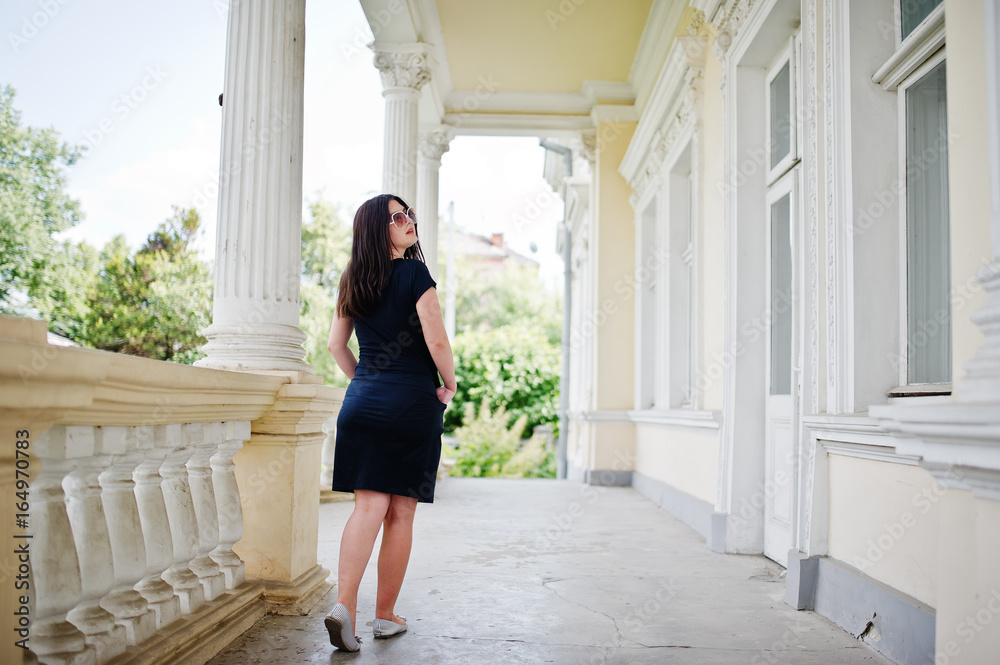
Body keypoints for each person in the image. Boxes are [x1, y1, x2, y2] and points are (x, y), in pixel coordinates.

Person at [324, 193, 457, 652]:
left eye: (409, 215)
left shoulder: (352, 279)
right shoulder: (415, 273)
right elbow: (436, 339)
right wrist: (449, 384)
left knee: (366, 508)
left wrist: (366, 381)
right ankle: (385, 617)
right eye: (397, 217)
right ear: (378, 230)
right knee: (400, 511)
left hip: (361, 403)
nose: (408, 222)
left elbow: (336, 347)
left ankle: (345, 607)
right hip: (412, 402)